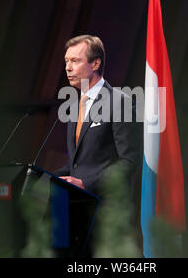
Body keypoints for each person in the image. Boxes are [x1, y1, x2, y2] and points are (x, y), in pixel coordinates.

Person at [53, 34, 142, 256]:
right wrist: (44, 179)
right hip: (74, 213)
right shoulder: (74, 107)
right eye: (66, 61)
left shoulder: (119, 101)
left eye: (75, 61)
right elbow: (77, 164)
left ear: (95, 63)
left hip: (104, 215)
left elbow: (129, 161)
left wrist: (86, 183)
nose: (68, 67)